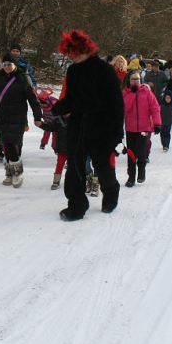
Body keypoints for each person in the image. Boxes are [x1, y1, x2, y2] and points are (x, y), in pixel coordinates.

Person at [52, 30, 123, 221]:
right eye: (68, 53)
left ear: (84, 49)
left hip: (102, 126)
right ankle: (76, 204)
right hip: (77, 125)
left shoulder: (104, 70)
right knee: (75, 166)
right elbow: (72, 98)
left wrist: (117, 131)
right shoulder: (73, 70)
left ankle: (111, 193)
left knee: (101, 165)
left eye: (73, 52)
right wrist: (59, 107)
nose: (70, 57)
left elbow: (117, 104)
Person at [0, 52, 43, 188]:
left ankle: (17, 172)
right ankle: (9, 173)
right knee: (5, 143)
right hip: (2, 115)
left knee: (12, 143)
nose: (6, 67)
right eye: (4, 64)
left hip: (17, 115)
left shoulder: (23, 78)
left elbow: (32, 98)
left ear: (15, 65)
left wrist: (37, 116)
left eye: (9, 64)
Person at [122, 70, 161, 187]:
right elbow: (124, 109)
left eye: (137, 79)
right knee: (131, 153)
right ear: (129, 80)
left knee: (141, 151)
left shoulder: (147, 92)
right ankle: (131, 177)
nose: (135, 82)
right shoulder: (125, 93)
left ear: (141, 80)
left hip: (144, 128)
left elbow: (155, 108)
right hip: (131, 128)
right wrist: (133, 94)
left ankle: (141, 172)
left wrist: (157, 124)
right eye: (133, 79)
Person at [37, 93, 68, 190]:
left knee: (73, 167)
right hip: (62, 148)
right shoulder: (58, 121)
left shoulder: (77, 121)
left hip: (74, 149)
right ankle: (56, 181)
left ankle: (72, 181)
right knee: (59, 165)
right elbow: (49, 127)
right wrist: (41, 124)